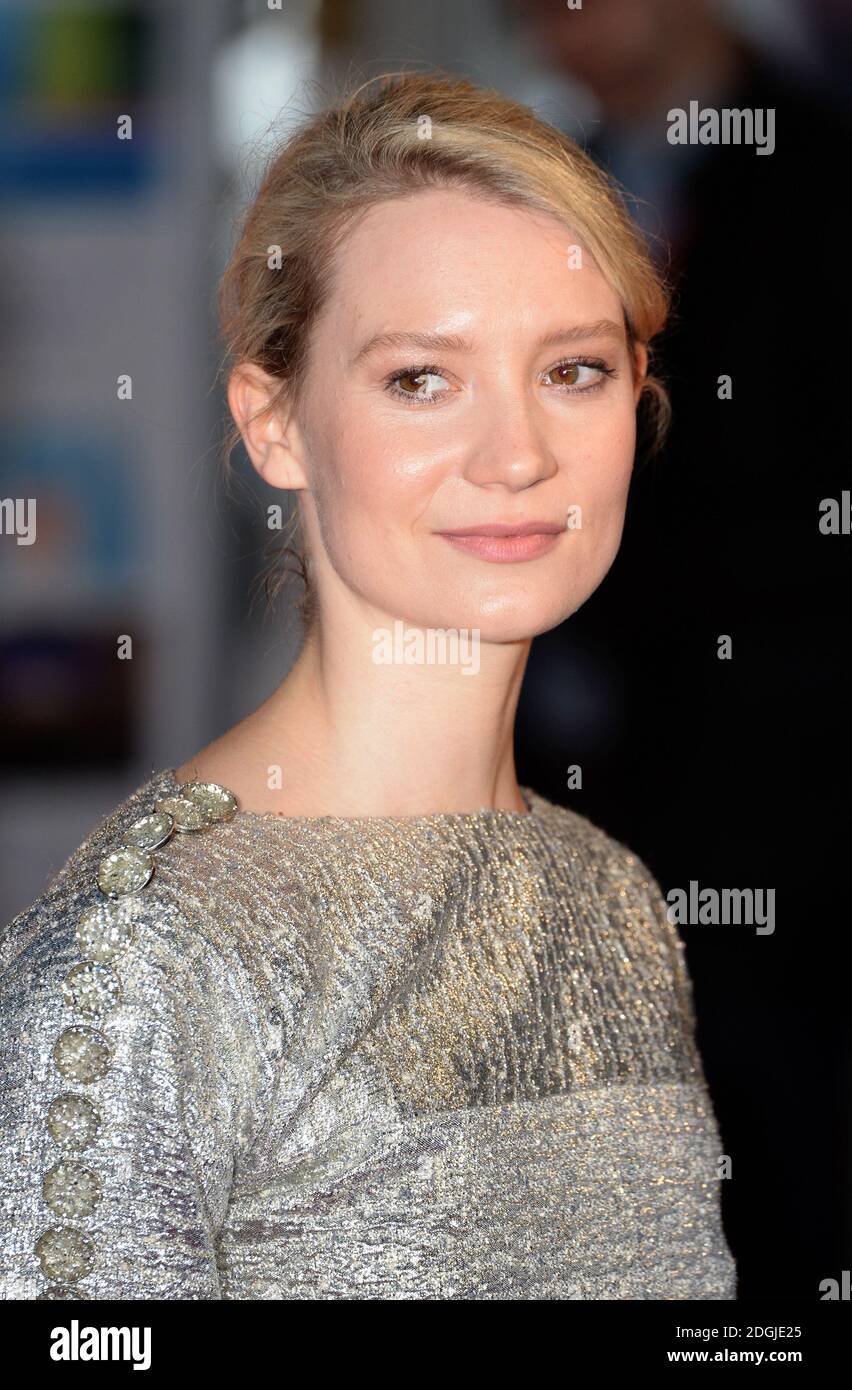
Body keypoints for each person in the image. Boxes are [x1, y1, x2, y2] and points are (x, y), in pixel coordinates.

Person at [0, 73, 736, 1300]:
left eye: (573, 370)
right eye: (419, 380)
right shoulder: (145, 959)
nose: (518, 455)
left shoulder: (613, 897)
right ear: (275, 423)